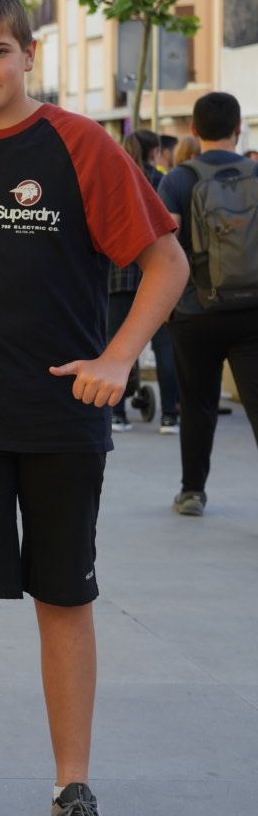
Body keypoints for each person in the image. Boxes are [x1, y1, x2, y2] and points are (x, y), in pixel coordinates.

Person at [0, 0, 185, 816]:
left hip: (64, 418)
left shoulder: (80, 145)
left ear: (30, 53)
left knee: (65, 598)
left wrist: (117, 358)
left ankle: (72, 791)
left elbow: (164, 262)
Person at [156, 91, 258, 516]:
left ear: (194, 131)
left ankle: (192, 492)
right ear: (238, 130)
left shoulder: (178, 180)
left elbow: (164, 247)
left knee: (197, 403)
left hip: (195, 311)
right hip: (253, 311)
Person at [106, 132, 180, 434]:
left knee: (116, 345)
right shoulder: (163, 181)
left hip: (116, 277)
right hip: (155, 276)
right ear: (156, 152)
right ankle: (169, 416)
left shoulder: (115, 179)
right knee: (164, 348)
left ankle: (117, 413)